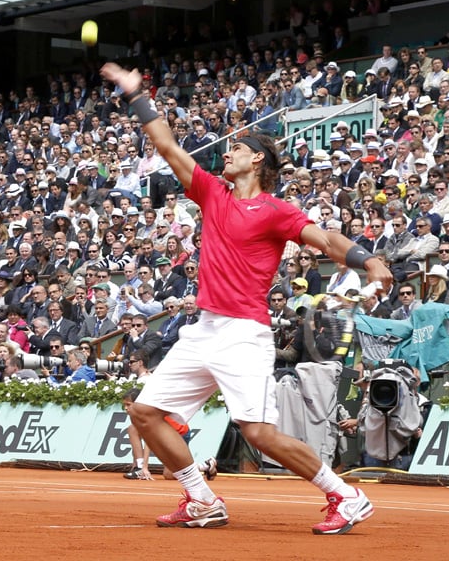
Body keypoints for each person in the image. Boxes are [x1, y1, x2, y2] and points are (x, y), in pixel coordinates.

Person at [100, 63, 391, 534]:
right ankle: (201, 499)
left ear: (257, 160)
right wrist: (137, 96)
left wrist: (369, 261)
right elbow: (168, 146)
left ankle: (346, 493)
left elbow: (328, 241)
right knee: (146, 412)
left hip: (243, 333)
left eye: (237, 148)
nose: (227, 153)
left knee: (257, 433)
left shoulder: (276, 210)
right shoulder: (213, 193)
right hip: (204, 329)